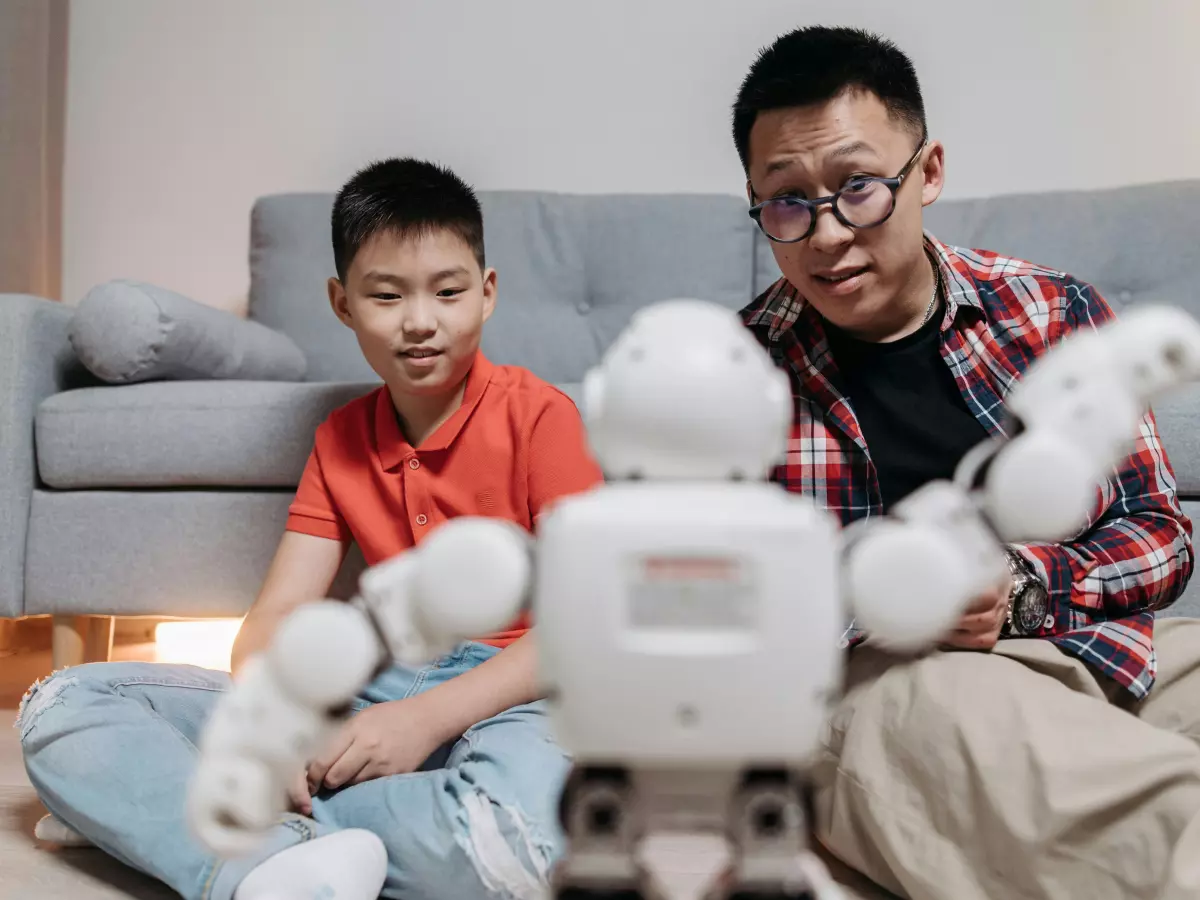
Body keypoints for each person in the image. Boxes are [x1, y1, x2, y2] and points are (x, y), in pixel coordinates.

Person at [18, 158, 604, 900]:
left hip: (514, 693)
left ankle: (172, 816)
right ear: (342, 303)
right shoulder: (339, 439)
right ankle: (260, 851)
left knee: (514, 839)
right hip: (369, 686)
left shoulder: (544, 418)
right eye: (386, 295)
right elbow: (276, 616)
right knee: (61, 706)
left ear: (487, 295)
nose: (420, 321)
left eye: (448, 292)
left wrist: (421, 721)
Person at [733, 25, 1200, 900]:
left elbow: (1162, 538)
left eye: (859, 187)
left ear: (929, 172)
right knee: (1137, 813)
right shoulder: (730, 376)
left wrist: (1021, 588)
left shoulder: (1051, 311)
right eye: (787, 202)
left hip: (1096, 645)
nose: (826, 235)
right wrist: (884, 599)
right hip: (883, 684)